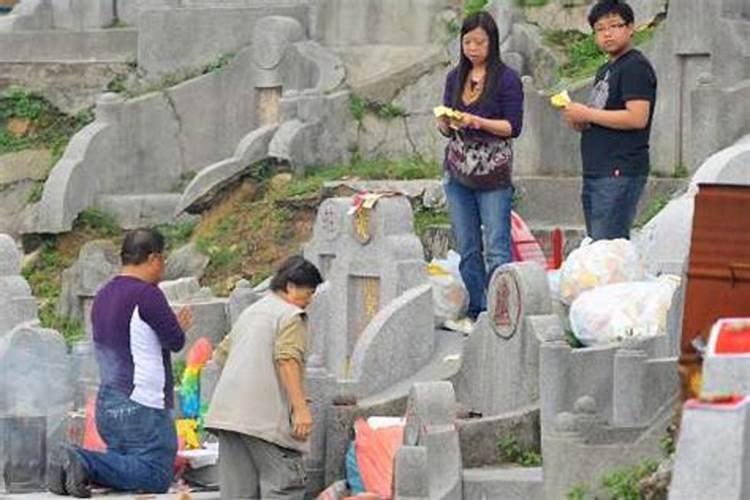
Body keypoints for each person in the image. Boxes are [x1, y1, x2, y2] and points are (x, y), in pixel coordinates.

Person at [47, 228, 192, 498]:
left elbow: (127, 341)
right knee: (155, 474)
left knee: (123, 472)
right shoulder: (147, 294)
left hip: (108, 401)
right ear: (154, 258)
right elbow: (175, 341)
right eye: (163, 260)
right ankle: (81, 459)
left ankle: (72, 467)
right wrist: (178, 327)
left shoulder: (103, 295)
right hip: (142, 403)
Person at [205, 255, 323, 500]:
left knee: (238, 493)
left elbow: (221, 354)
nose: (309, 301)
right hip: (265, 421)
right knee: (283, 487)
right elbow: (287, 359)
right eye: (308, 293)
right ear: (290, 287)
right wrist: (300, 409)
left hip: (228, 416)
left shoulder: (252, 312)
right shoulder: (290, 316)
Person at [437, 10, 524, 329]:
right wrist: (445, 124)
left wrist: (478, 121)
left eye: (479, 41)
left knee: (498, 248)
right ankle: (477, 309)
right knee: (468, 247)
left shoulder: (507, 79)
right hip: (457, 170)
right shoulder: (454, 77)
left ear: (492, 43)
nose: (472, 48)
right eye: (467, 41)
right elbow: (446, 129)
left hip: (494, 174)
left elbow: (513, 127)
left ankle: (503, 312)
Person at [561, 0, 657, 240]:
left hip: (619, 170)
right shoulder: (605, 70)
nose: (607, 33)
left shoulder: (635, 66)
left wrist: (587, 114)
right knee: (598, 248)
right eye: (600, 28)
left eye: (614, 26)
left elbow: (637, 117)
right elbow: (600, 115)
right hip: (597, 169)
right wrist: (579, 120)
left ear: (631, 28)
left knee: (608, 249)